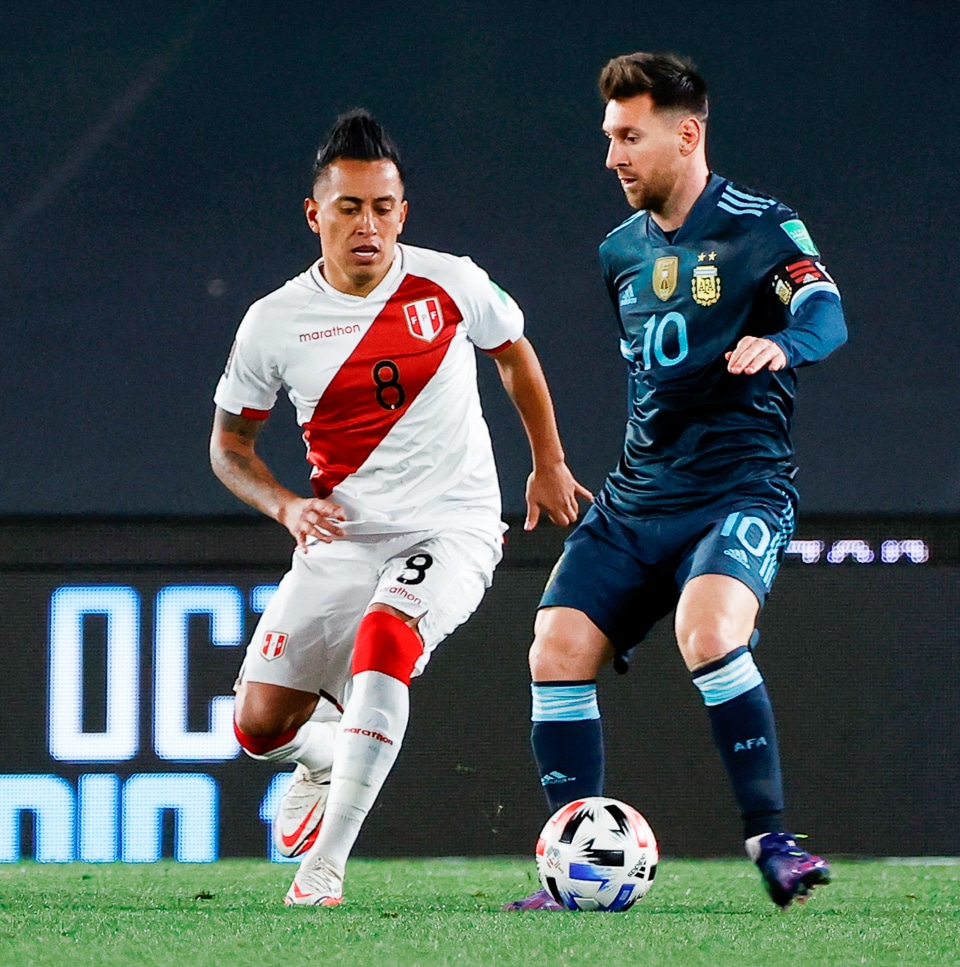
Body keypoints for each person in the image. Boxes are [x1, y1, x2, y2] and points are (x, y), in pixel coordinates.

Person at [210, 109, 588, 906]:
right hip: (340, 538)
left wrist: (547, 461)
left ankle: (326, 868)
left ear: (402, 213)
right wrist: (284, 508)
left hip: (451, 526)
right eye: (349, 208)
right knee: (256, 728)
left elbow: (514, 354)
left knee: (388, 637)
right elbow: (228, 448)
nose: (368, 225)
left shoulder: (450, 281)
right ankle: (321, 755)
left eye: (383, 207)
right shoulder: (273, 322)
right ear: (316, 215)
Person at [506, 52, 847, 911]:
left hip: (738, 490)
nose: (612, 156)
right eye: (608, 138)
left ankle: (773, 840)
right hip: (635, 499)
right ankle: (575, 867)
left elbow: (826, 310)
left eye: (630, 136)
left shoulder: (763, 226)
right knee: (555, 646)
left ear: (686, 133)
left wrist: (784, 343)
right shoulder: (618, 251)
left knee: (708, 630)